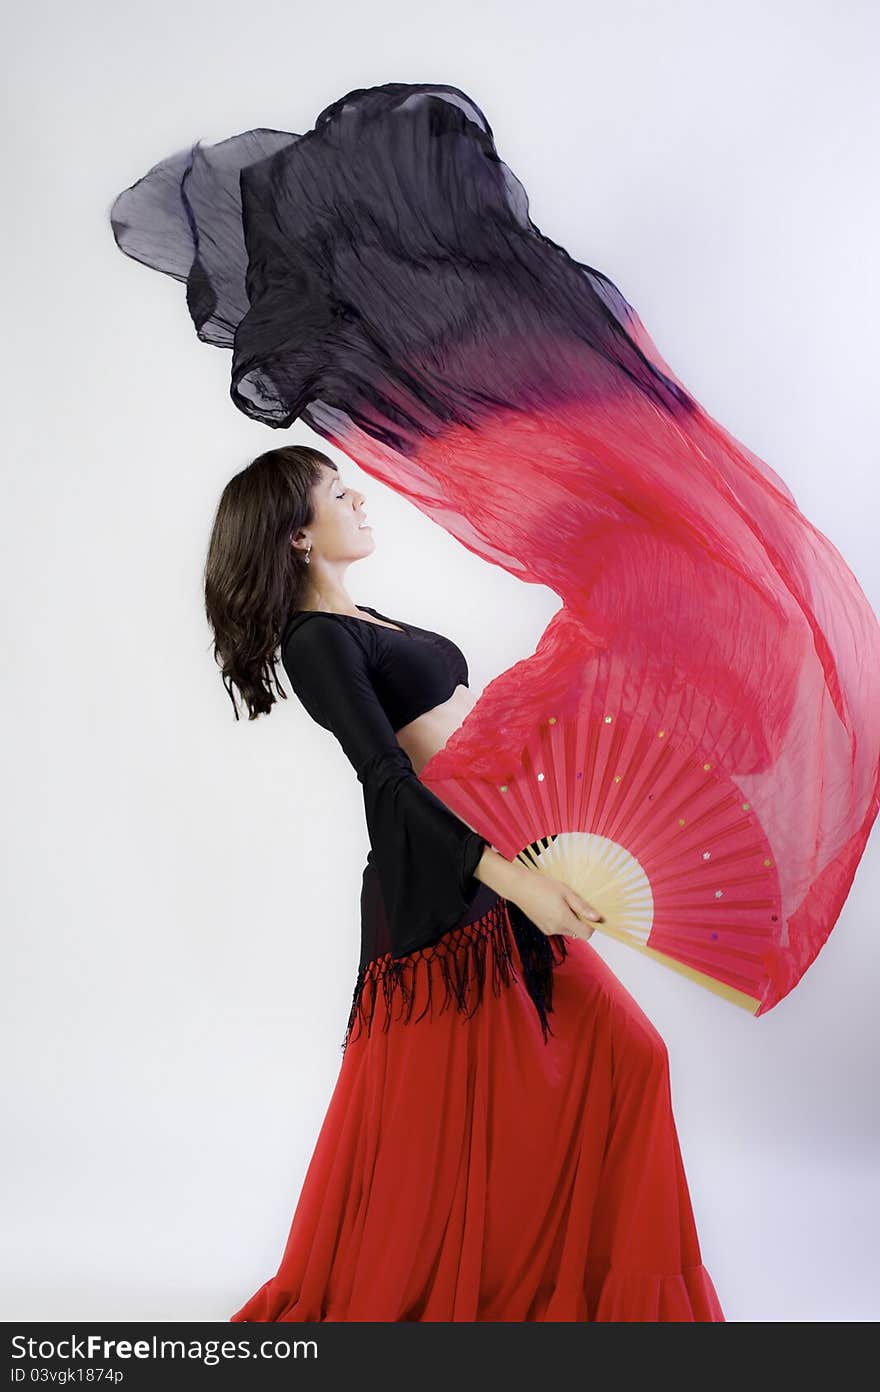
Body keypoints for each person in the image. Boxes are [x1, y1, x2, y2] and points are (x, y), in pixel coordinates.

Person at [205, 442, 725, 1322]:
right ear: (297, 536)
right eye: (339, 490)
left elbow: (478, 758)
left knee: (630, 1060)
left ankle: (609, 1300)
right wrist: (513, 882)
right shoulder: (317, 640)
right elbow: (389, 782)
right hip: (442, 898)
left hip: (507, 868)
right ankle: (473, 1298)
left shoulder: (366, 615)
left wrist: (549, 852)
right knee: (448, 1134)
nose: (360, 498)